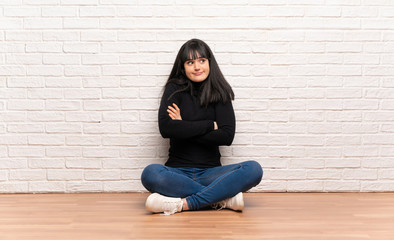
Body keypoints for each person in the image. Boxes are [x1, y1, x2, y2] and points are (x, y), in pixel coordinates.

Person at [141, 39, 263, 215]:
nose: (197, 67)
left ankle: (185, 203)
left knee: (253, 169)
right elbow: (166, 129)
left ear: (209, 63)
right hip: (177, 173)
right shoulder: (174, 89)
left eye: (201, 61)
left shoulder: (220, 93)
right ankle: (221, 199)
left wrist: (183, 126)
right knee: (150, 173)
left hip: (212, 173)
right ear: (183, 67)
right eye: (190, 62)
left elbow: (226, 136)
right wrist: (208, 125)